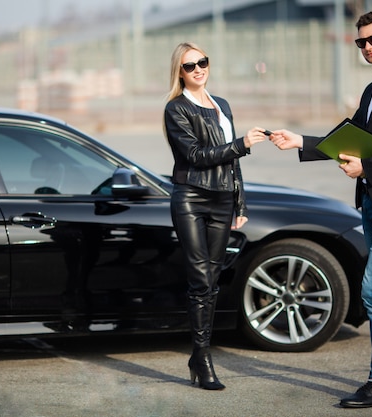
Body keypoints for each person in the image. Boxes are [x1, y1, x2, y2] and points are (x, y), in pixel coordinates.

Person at [270, 11, 372, 408]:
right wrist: (302, 143)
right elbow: (350, 138)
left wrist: (368, 167)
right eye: (360, 42)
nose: (367, 47)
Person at [163, 42, 267, 390]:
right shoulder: (175, 108)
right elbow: (194, 155)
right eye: (190, 65)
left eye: (202, 62)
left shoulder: (221, 105)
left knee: (213, 277)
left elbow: (231, 164)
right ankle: (202, 356)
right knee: (200, 279)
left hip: (223, 200)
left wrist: (240, 202)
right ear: (180, 71)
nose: (198, 70)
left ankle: (199, 355)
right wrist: (242, 144)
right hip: (191, 197)